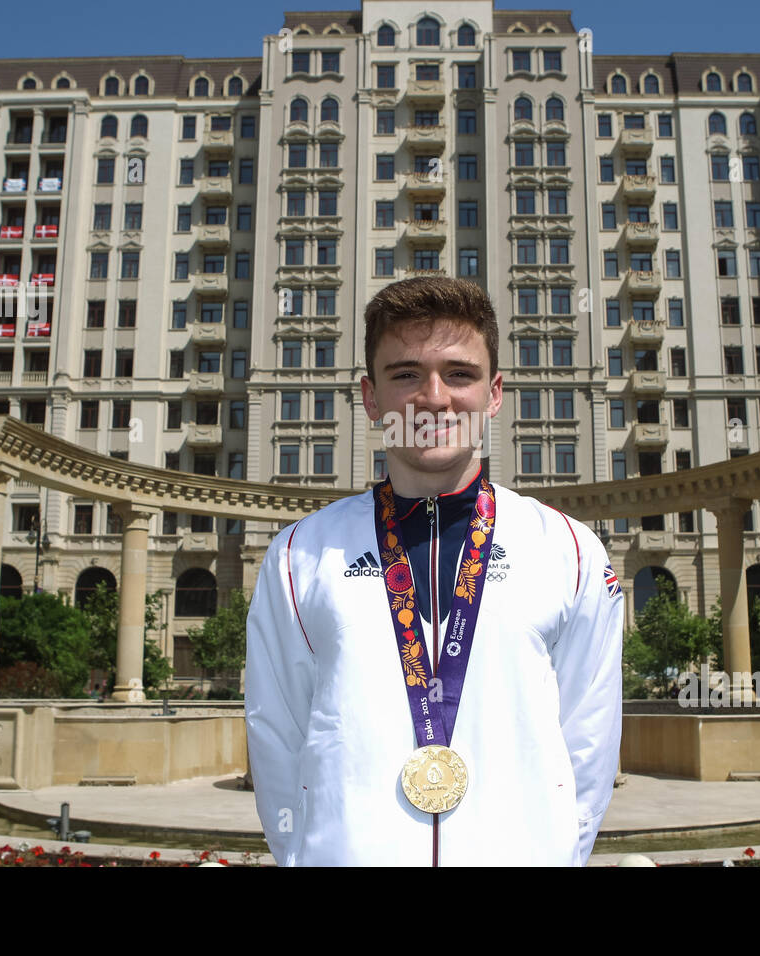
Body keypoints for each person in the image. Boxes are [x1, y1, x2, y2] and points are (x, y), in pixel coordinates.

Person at [244, 277, 624, 866]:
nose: (434, 397)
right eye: (405, 375)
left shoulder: (569, 551)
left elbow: (589, 741)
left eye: (460, 374)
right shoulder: (300, 556)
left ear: (494, 393)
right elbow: (277, 736)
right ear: (371, 398)